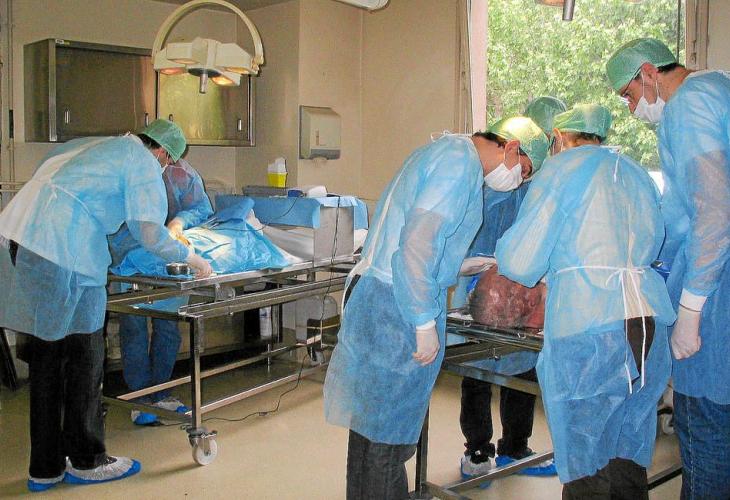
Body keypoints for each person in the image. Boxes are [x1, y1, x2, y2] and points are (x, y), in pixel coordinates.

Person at [324, 117, 549, 500]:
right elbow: (416, 247)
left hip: (381, 294)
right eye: (523, 170)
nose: (518, 181)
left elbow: (412, 236)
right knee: (387, 445)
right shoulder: (459, 165)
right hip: (398, 307)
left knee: (368, 431)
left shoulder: (444, 151)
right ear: (511, 147)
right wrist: (423, 321)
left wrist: (459, 265)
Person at [0, 119, 212, 492]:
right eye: (168, 161)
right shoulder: (141, 161)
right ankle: (88, 461)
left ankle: (45, 468)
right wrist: (192, 259)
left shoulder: (96, 145)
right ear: (162, 152)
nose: (166, 168)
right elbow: (150, 233)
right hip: (66, 249)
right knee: (84, 356)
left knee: (47, 359)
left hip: (27, 240)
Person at [494, 103, 676, 498]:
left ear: (559, 137)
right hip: (647, 320)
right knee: (628, 449)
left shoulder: (561, 171)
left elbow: (521, 260)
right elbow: (656, 238)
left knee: (586, 457)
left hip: (590, 325)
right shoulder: (632, 171)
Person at [607, 38, 730, 499]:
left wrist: (691, 309)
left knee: (707, 441)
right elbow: (681, 218)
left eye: (628, 95)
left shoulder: (688, 106)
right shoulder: (720, 87)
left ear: (647, 72)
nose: (631, 108)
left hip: (717, 301)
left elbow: (714, 213)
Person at [456, 98, 566, 481]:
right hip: (480, 288)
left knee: (523, 367)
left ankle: (515, 446)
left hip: (522, 290)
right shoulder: (483, 182)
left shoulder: (534, 184)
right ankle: (477, 449)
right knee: (477, 369)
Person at [109, 155, 213, 425]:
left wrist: (178, 222)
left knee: (168, 328)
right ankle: (140, 397)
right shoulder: (131, 169)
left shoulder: (181, 173)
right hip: (131, 258)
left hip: (171, 259)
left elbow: (201, 207)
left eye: (170, 154)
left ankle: (162, 393)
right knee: (134, 329)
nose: (166, 159)